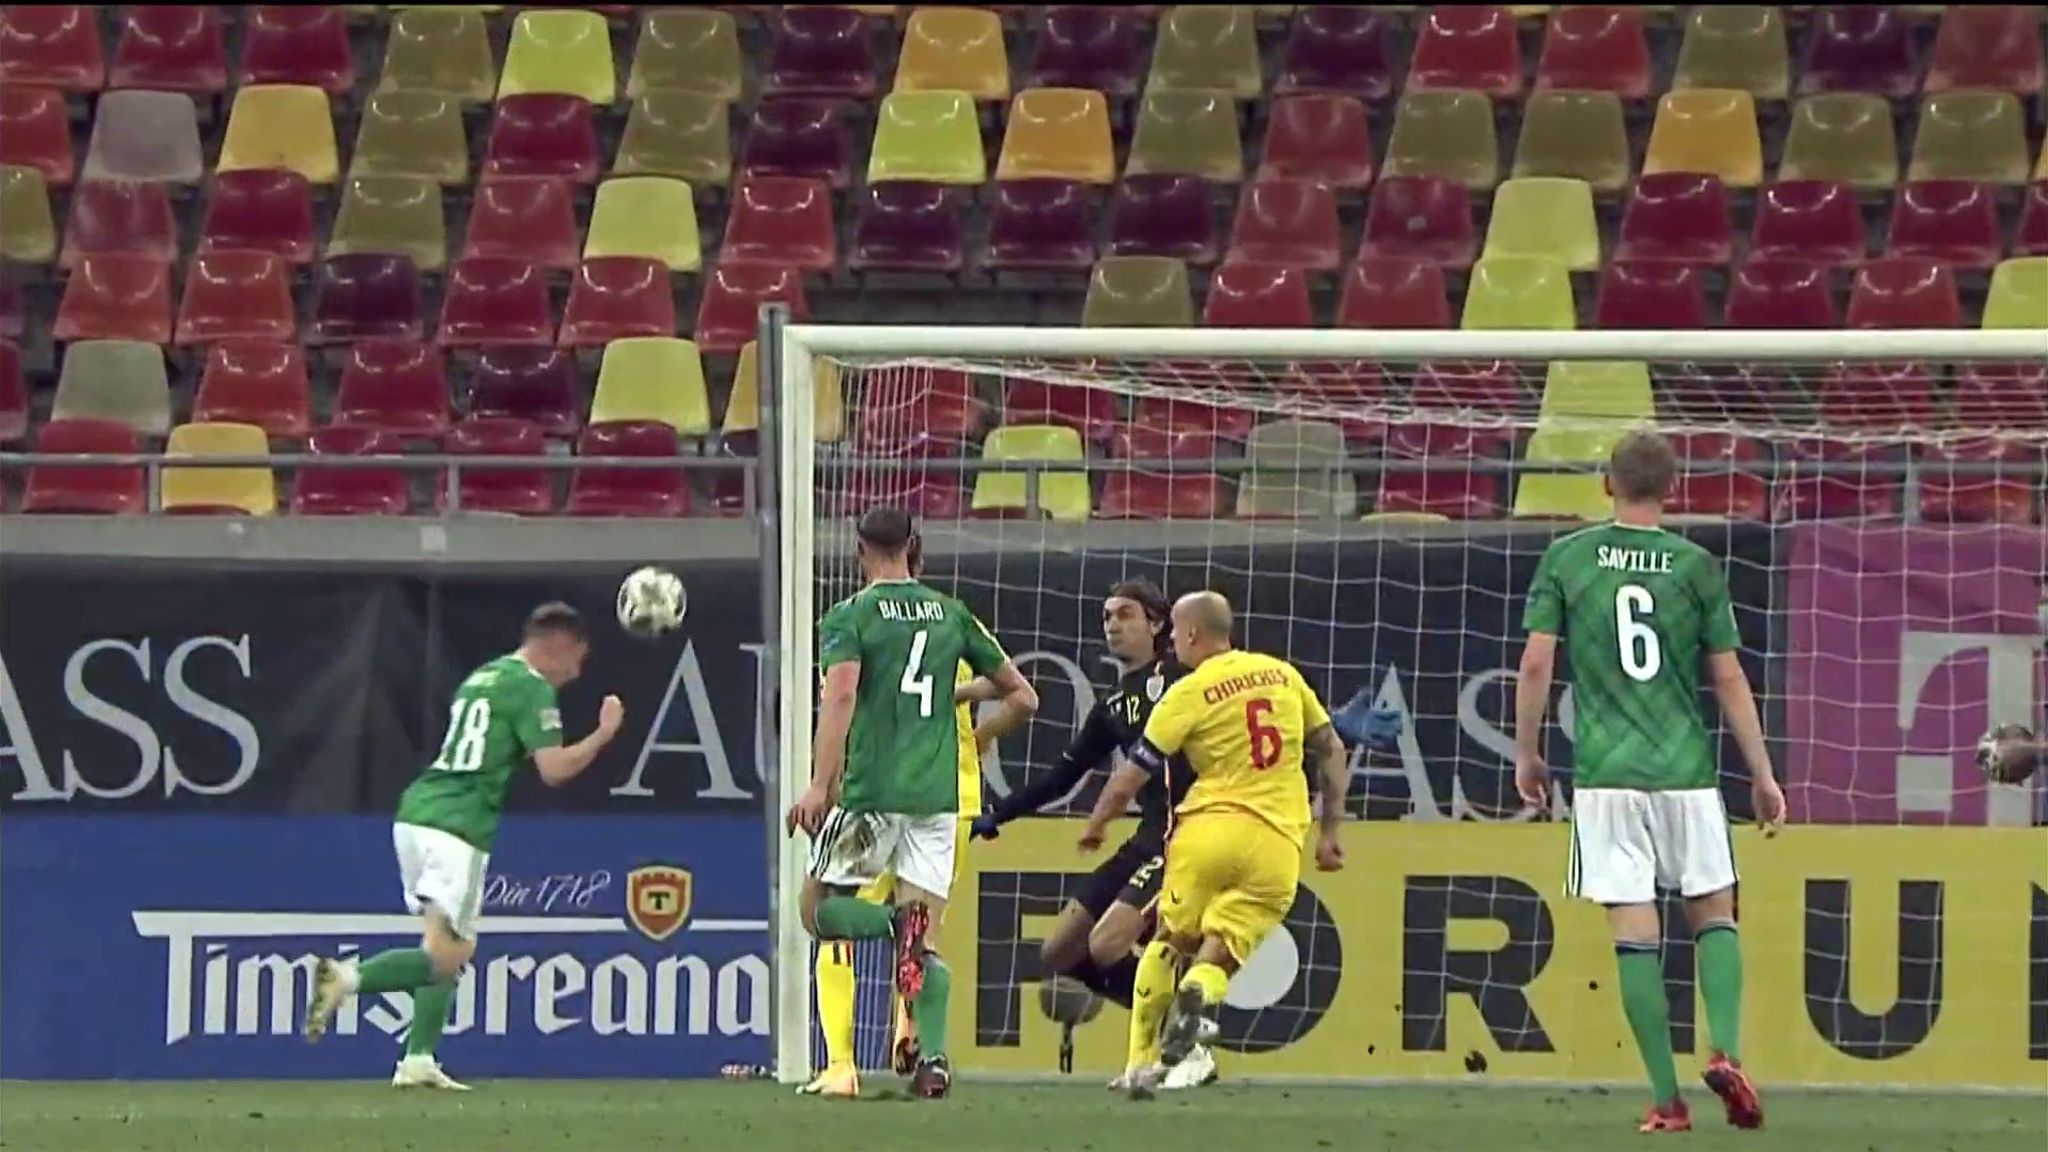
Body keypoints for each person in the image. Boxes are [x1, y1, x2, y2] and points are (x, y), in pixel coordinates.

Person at [1514, 430, 1786, 1134]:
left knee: (1635, 929)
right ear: (1673, 488)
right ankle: (1725, 1052)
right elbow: (1728, 677)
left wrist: (1528, 754)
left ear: (1607, 483)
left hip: (1607, 775)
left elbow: (1537, 664)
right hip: (1685, 771)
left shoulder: (1568, 557)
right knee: (1714, 911)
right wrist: (1762, 774)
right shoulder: (1696, 565)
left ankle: (1667, 1100)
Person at [304, 603, 624, 1090]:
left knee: (442, 943)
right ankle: (347, 978)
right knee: (452, 955)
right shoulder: (530, 687)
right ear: (558, 645)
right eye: (577, 659)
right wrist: (603, 734)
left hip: (417, 814)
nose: (576, 674)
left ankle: (418, 1059)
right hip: (458, 824)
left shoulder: (483, 677)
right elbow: (554, 769)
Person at [786, 506, 1039, 1099]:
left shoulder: (850, 615)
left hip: (872, 795)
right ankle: (934, 1061)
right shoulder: (952, 613)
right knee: (923, 940)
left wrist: (820, 784)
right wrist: (966, 712)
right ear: (913, 546)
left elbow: (841, 697)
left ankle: (883, 946)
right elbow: (1024, 696)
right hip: (938, 800)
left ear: (859, 550)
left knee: (817, 911)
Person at [969, 579, 1221, 1087]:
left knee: (1107, 945)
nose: (1112, 625)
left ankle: (1178, 1039)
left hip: (1188, 835)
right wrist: (1000, 812)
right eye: (1106, 616)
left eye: (1125, 614)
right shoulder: (1113, 706)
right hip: (1147, 837)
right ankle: (1178, 1029)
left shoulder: (1187, 679)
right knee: (1059, 952)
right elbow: (1063, 777)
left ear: (1157, 624)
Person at [1096, 591, 1349, 1097]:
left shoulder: (1187, 692)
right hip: (1277, 839)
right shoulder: (1283, 676)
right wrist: (1331, 834)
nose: (1171, 641)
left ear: (1191, 633)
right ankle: (1198, 992)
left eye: (1174, 632)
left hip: (1207, 832)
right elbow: (1331, 748)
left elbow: (1132, 775)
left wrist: (1099, 820)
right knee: (1223, 953)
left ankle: (1140, 1064)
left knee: (1169, 940)